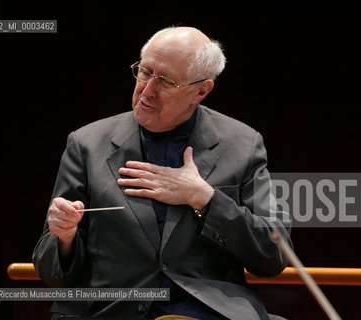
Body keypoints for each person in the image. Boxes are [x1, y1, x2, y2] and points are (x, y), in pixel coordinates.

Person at [33, 26, 292, 320]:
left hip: (206, 311)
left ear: (202, 90)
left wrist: (205, 198)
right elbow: (50, 271)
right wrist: (64, 237)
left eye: (166, 81)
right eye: (144, 72)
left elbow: (274, 255)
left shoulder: (242, 145)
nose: (147, 89)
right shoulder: (87, 144)